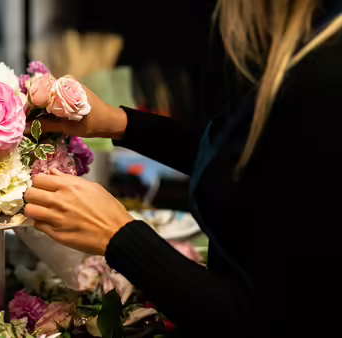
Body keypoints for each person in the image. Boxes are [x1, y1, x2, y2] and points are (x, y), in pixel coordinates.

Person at [23, 0, 342, 337]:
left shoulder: (324, 80)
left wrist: (118, 235)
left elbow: (264, 319)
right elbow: (243, 158)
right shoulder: (307, 49)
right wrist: (120, 123)